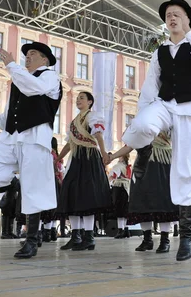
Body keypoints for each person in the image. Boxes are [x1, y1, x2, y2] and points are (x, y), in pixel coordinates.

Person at [120, 0, 191, 261]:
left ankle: (186, 236)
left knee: (183, 169)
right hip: (164, 103)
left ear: (187, 19)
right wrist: (144, 111)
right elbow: (151, 84)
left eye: (177, 14)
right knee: (139, 125)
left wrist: (190, 33)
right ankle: (144, 148)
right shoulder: (159, 50)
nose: (171, 18)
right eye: (168, 15)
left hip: (187, 108)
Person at [0, 42, 62, 259]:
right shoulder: (19, 79)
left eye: (33, 54)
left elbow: (34, 88)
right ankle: (6, 193)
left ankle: (32, 239)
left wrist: (11, 64)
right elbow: (8, 113)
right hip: (10, 138)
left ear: (45, 60)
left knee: (33, 190)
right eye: (26, 55)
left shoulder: (49, 77)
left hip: (35, 138)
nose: (27, 57)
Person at [55, 92, 111, 252]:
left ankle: (88, 237)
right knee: (71, 194)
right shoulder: (74, 123)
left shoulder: (93, 117)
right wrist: (58, 158)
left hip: (89, 158)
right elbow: (69, 143)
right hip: (76, 158)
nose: (78, 100)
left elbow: (98, 135)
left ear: (90, 102)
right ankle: (75, 236)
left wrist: (104, 153)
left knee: (87, 196)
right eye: (77, 98)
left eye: (82, 98)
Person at [109, 132, 178, 254]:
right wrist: (113, 156)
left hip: (162, 160)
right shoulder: (143, 120)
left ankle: (164, 240)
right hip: (144, 162)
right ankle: (147, 239)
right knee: (142, 200)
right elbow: (130, 144)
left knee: (163, 200)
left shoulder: (168, 117)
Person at [41, 137, 64, 242]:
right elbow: (61, 172)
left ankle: (46, 233)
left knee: (46, 207)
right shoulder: (58, 157)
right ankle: (53, 232)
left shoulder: (48, 154)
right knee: (54, 207)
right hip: (57, 183)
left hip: (48, 181)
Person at [109, 154, 132, 239]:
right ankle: (126, 230)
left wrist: (109, 182)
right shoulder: (128, 167)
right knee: (125, 210)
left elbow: (113, 175)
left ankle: (120, 230)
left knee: (119, 210)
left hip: (119, 187)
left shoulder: (118, 166)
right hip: (128, 188)